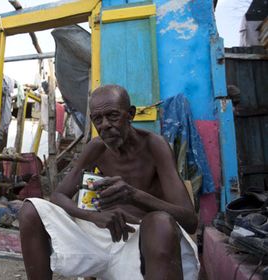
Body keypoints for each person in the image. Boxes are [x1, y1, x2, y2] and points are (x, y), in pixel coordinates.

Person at [19, 85, 200, 280]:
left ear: (130, 114)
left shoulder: (154, 145)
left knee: (160, 223)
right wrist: (92, 216)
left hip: (142, 242)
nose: (104, 125)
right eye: (98, 119)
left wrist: (134, 195)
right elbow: (58, 195)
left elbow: (189, 220)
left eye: (113, 116)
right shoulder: (96, 148)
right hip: (102, 235)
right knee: (31, 211)